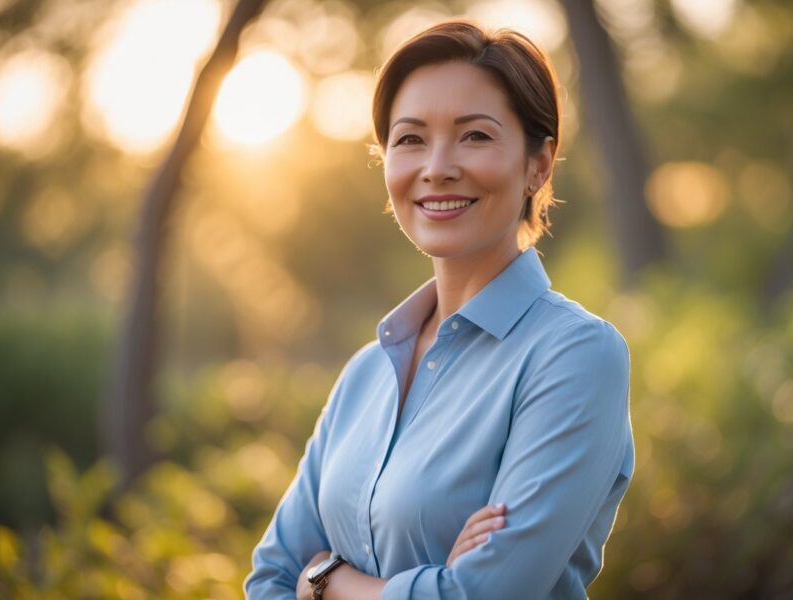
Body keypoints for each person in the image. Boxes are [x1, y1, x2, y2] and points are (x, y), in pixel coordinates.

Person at [244, 20, 634, 600]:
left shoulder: (576, 357)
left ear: (539, 164)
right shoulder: (365, 373)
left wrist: (326, 581)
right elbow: (269, 581)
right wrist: (426, 585)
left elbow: (479, 597)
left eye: (474, 136)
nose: (437, 167)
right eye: (409, 139)